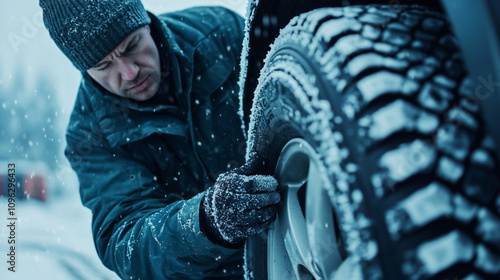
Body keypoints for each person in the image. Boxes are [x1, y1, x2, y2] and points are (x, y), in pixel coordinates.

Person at [39, 0, 281, 279]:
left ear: (145, 23)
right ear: (84, 70)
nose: (130, 73)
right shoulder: (90, 138)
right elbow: (126, 243)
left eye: (132, 45)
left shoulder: (219, 33)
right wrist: (206, 222)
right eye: (104, 65)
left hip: (301, 234)